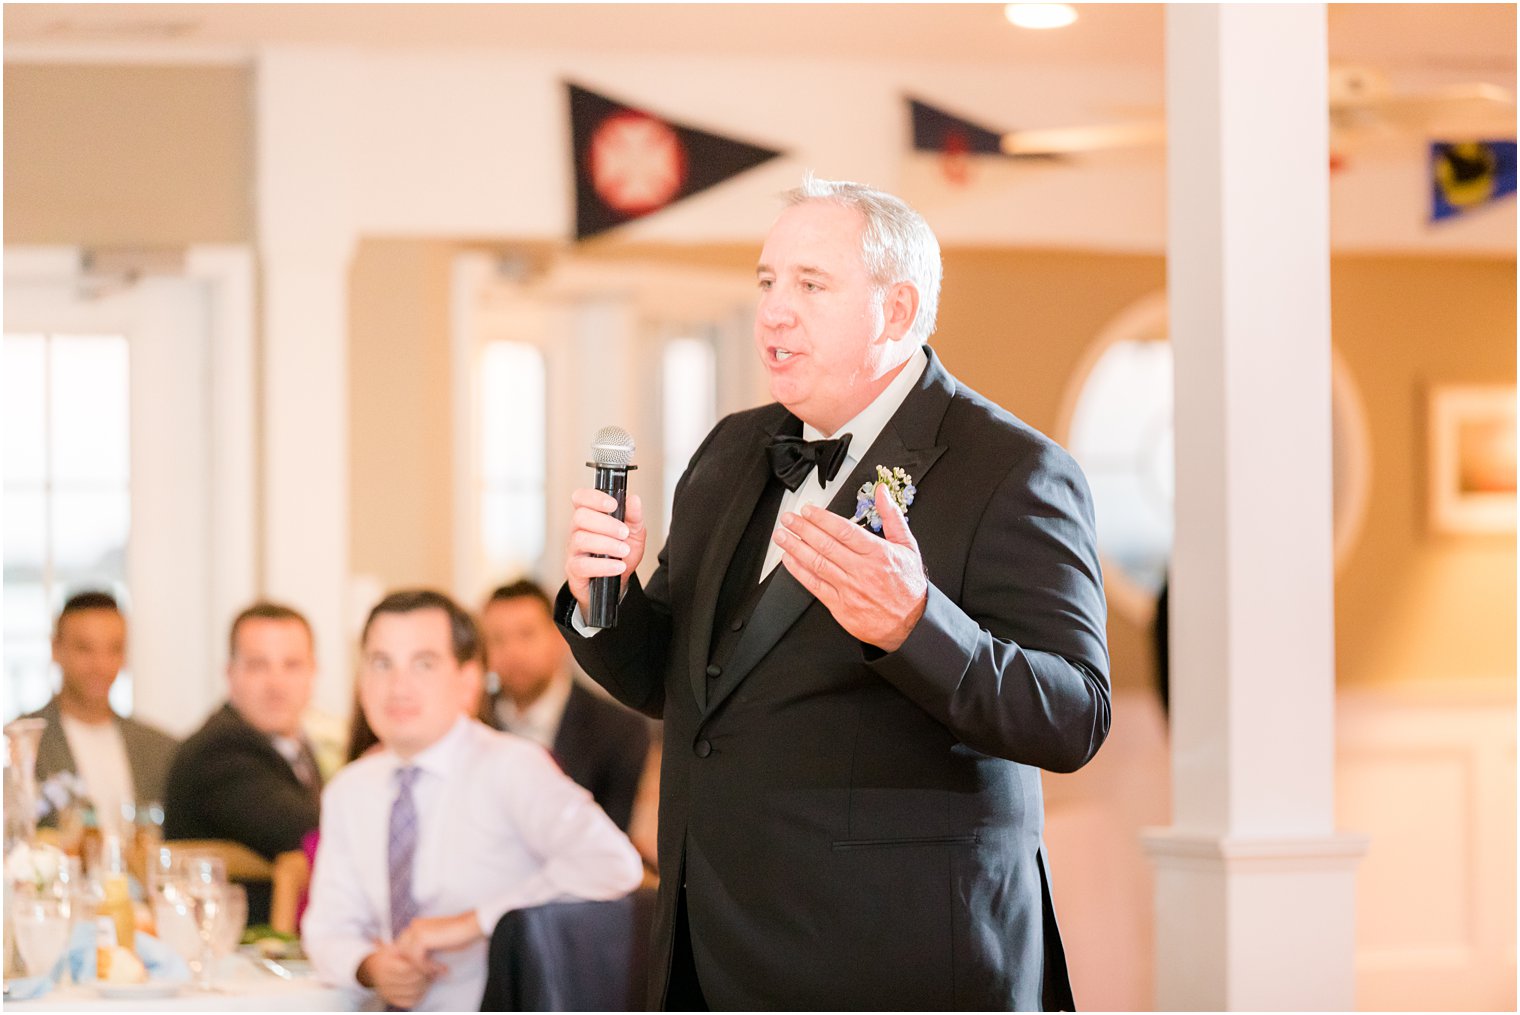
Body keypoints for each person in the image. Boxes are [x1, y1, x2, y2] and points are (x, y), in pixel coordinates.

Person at [558, 175, 1110, 1010]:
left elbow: (1076, 714)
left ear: (895, 310)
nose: (775, 311)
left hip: (897, 956)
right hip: (713, 945)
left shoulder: (1013, 470)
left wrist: (917, 625)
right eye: (768, 282)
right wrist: (605, 594)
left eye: (811, 286)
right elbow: (677, 686)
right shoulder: (731, 451)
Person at [302, 589, 642, 1012]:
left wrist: (471, 924)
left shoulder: (513, 766)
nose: (398, 685)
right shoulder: (349, 790)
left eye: (423, 664)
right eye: (381, 663)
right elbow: (327, 926)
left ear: (468, 680)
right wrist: (369, 965)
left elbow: (613, 863)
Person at [163, 601, 323, 923]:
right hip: (229, 954)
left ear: (312, 672)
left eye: (291, 665)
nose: (276, 684)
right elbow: (313, 833)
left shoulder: (293, 744)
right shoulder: (219, 751)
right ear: (230, 673)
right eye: (257, 666)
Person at [480, 580, 651, 831]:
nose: (512, 652)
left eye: (526, 634)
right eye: (497, 639)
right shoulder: (473, 718)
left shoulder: (618, 730)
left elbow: (610, 835)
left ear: (559, 637)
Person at [26, 591, 177, 831]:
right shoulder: (22, 744)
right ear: (56, 649)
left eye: (114, 649)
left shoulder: (161, 749)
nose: (101, 665)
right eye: (85, 649)